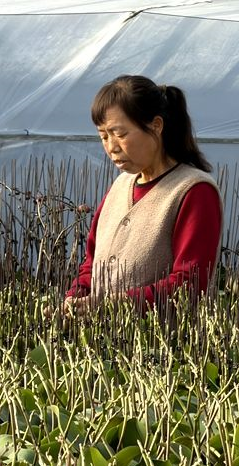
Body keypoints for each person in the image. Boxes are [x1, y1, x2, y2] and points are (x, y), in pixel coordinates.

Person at [61, 74, 222, 317]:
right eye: (103, 136)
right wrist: (75, 300)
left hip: (158, 338)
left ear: (156, 126)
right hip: (101, 335)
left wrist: (113, 305)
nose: (111, 147)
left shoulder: (194, 191)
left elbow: (189, 284)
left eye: (120, 134)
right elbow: (91, 265)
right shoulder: (120, 186)